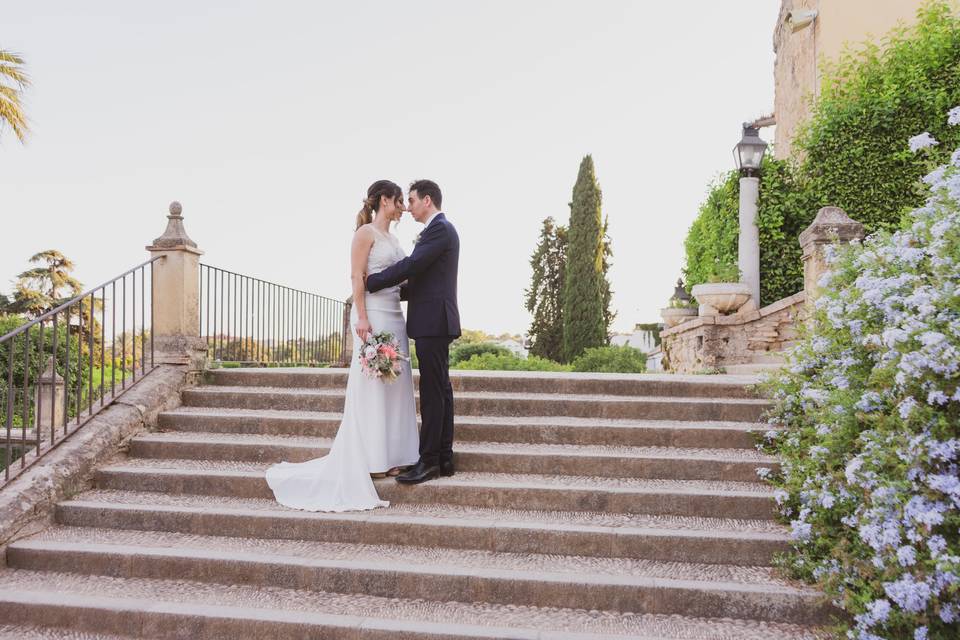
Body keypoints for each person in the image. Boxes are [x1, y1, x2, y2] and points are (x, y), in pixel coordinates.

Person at [265, 179, 419, 511]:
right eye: (398, 202)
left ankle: (395, 455)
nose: (403, 208)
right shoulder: (365, 235)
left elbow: (402, 277)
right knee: (373, 385)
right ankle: (372, 457)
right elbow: (356, 277)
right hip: (373, 315)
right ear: (383, 200)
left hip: (395, 315)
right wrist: (361, 317)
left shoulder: (393, 238)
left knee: (396, 384)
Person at [366, 179, 460, 484]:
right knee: (440, 389)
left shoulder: (439, 229)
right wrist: (393, 293)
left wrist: (375, 283)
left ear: (428, 200)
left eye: (413, 200)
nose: (409, 207)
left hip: (434, 321)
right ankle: (444, 457)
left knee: (434, 393)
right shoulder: (440, 230)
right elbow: (422, 278)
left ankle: (430, 460)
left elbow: (413, 265)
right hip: (435, 320)